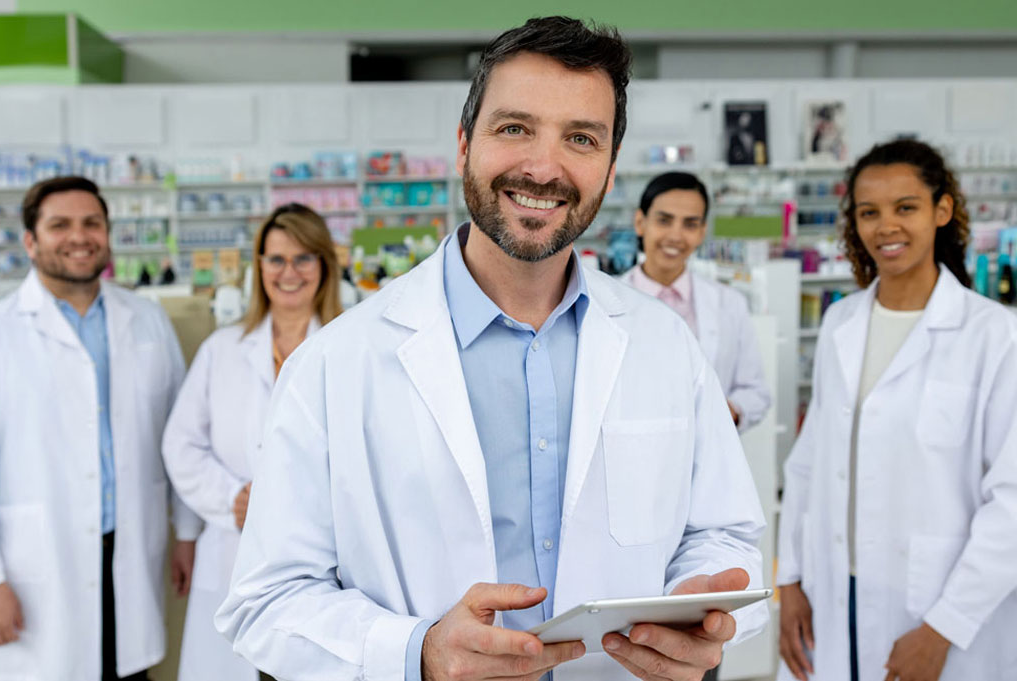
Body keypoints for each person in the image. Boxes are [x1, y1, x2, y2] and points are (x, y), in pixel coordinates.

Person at [217, 16, 768, 681]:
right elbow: (264, 601)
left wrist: (697, 608)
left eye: (581, 138)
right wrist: (417, 650)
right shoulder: (338, 361)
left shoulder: (664, 347)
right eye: (514, 128)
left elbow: (724, 532)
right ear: (463, 145)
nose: (542, 165)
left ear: (610, 168)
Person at [777, 140, 1017, 681]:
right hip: (837, 593)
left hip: (943, 608)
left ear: (942, 211)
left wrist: (944, 627)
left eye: (905, 207)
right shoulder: (843, 324)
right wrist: (789, 581)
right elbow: (809, 465)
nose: (887, 226)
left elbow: (1012, 502)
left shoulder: (994, 336)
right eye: (869, 212)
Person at [0, 176, 201, 680]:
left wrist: (187, 534)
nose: (79, 236)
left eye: (92, 223)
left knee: (127, 670)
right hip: (35, 561)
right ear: (30, 240)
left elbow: (180, 435)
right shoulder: (0, 332)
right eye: (59, 225)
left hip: (130, 542)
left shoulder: (146, 320)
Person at [162, 203, 342, 681]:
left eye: (304, 258)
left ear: (324, 265)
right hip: (233, 552)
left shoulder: (350, 348)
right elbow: (181, 444)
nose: (289, 272)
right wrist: (231, 498)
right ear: (258, 266)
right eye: (276, 259)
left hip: (329, 560)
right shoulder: (221, 350)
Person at [621, 171, 772, 433]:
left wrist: (727, 411)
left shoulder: (729, 303)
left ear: (702, 232)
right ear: (640, 222)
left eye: (690, 224)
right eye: (664, 220)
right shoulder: (605, 302)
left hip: (706, 456)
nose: (676, 236)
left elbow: (756, 392)